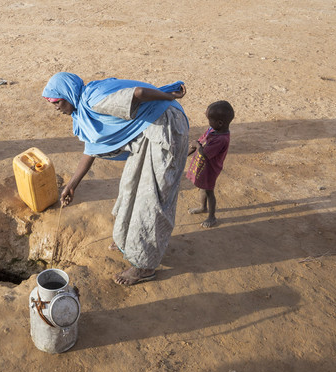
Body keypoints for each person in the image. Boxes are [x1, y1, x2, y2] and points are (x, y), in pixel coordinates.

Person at [43, 72, 189, 286]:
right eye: (50, 103)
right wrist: (72, 184)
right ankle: (126, 240)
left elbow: (137, 93)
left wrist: (167, 96)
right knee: (131, 186)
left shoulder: (94, 99)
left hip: (165, 129)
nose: (55, 107)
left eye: (57, 101)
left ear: (67, 94)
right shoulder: (84, 106)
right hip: (146, 132)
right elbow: (93, 147)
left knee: (151, 198)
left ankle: (144, 266)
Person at [186, 100, 234, 228]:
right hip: (203, 167)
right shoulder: (213, 130)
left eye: (209, 120)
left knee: (208, 191)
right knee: (203, 187)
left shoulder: (220, 139)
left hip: (210, 169)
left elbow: (204, 153)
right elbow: (200, 142)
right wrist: (188, 152)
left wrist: (196, 145)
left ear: (220, 122)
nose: (208, 123)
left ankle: (212, 217)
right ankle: (202, 207)